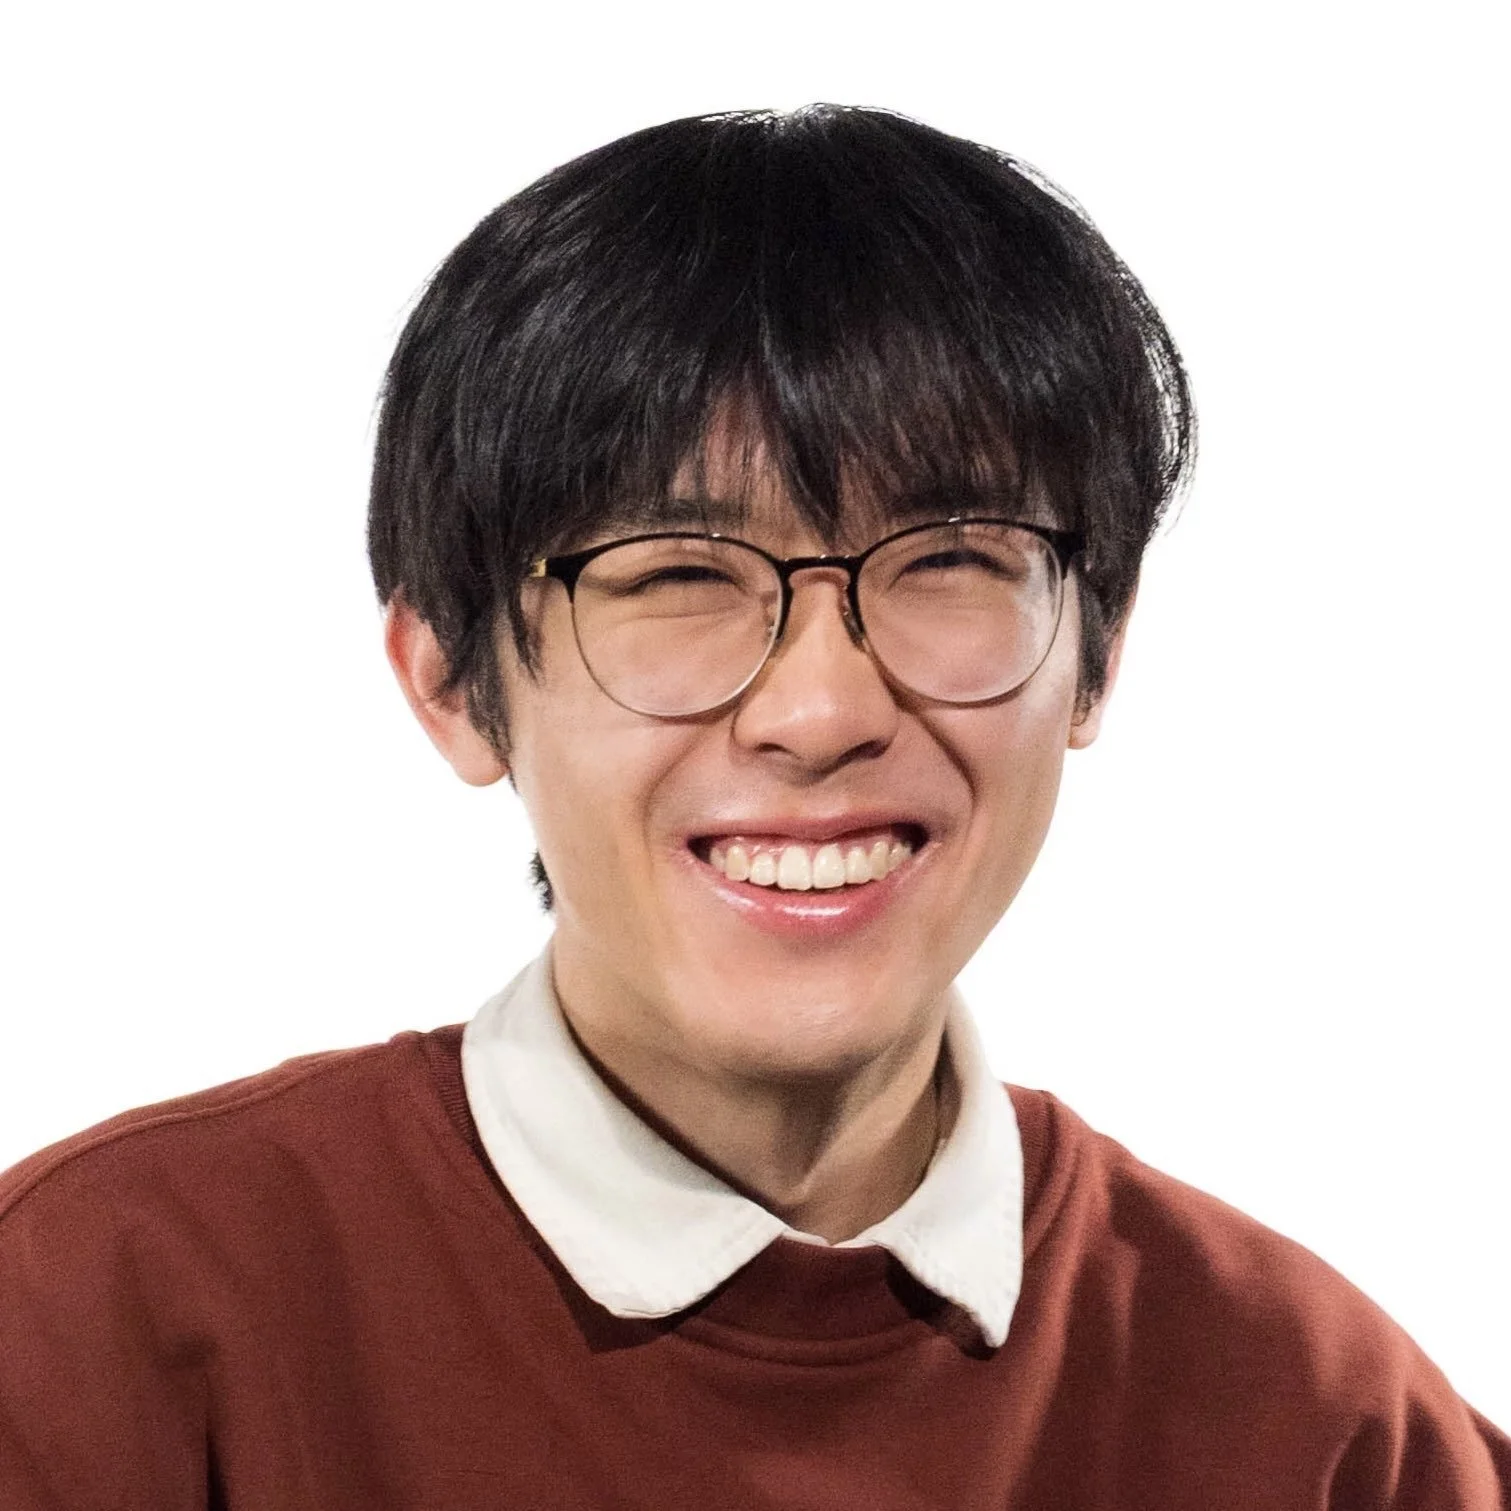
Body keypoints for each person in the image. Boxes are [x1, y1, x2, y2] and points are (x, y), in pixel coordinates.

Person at [1, 104, 1505, 1509]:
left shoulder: (1315, 1416)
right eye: (675, 578)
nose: (821, 711)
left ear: (1094, 651)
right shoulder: (100, 1320)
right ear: (452, 683)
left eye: (948, 561)